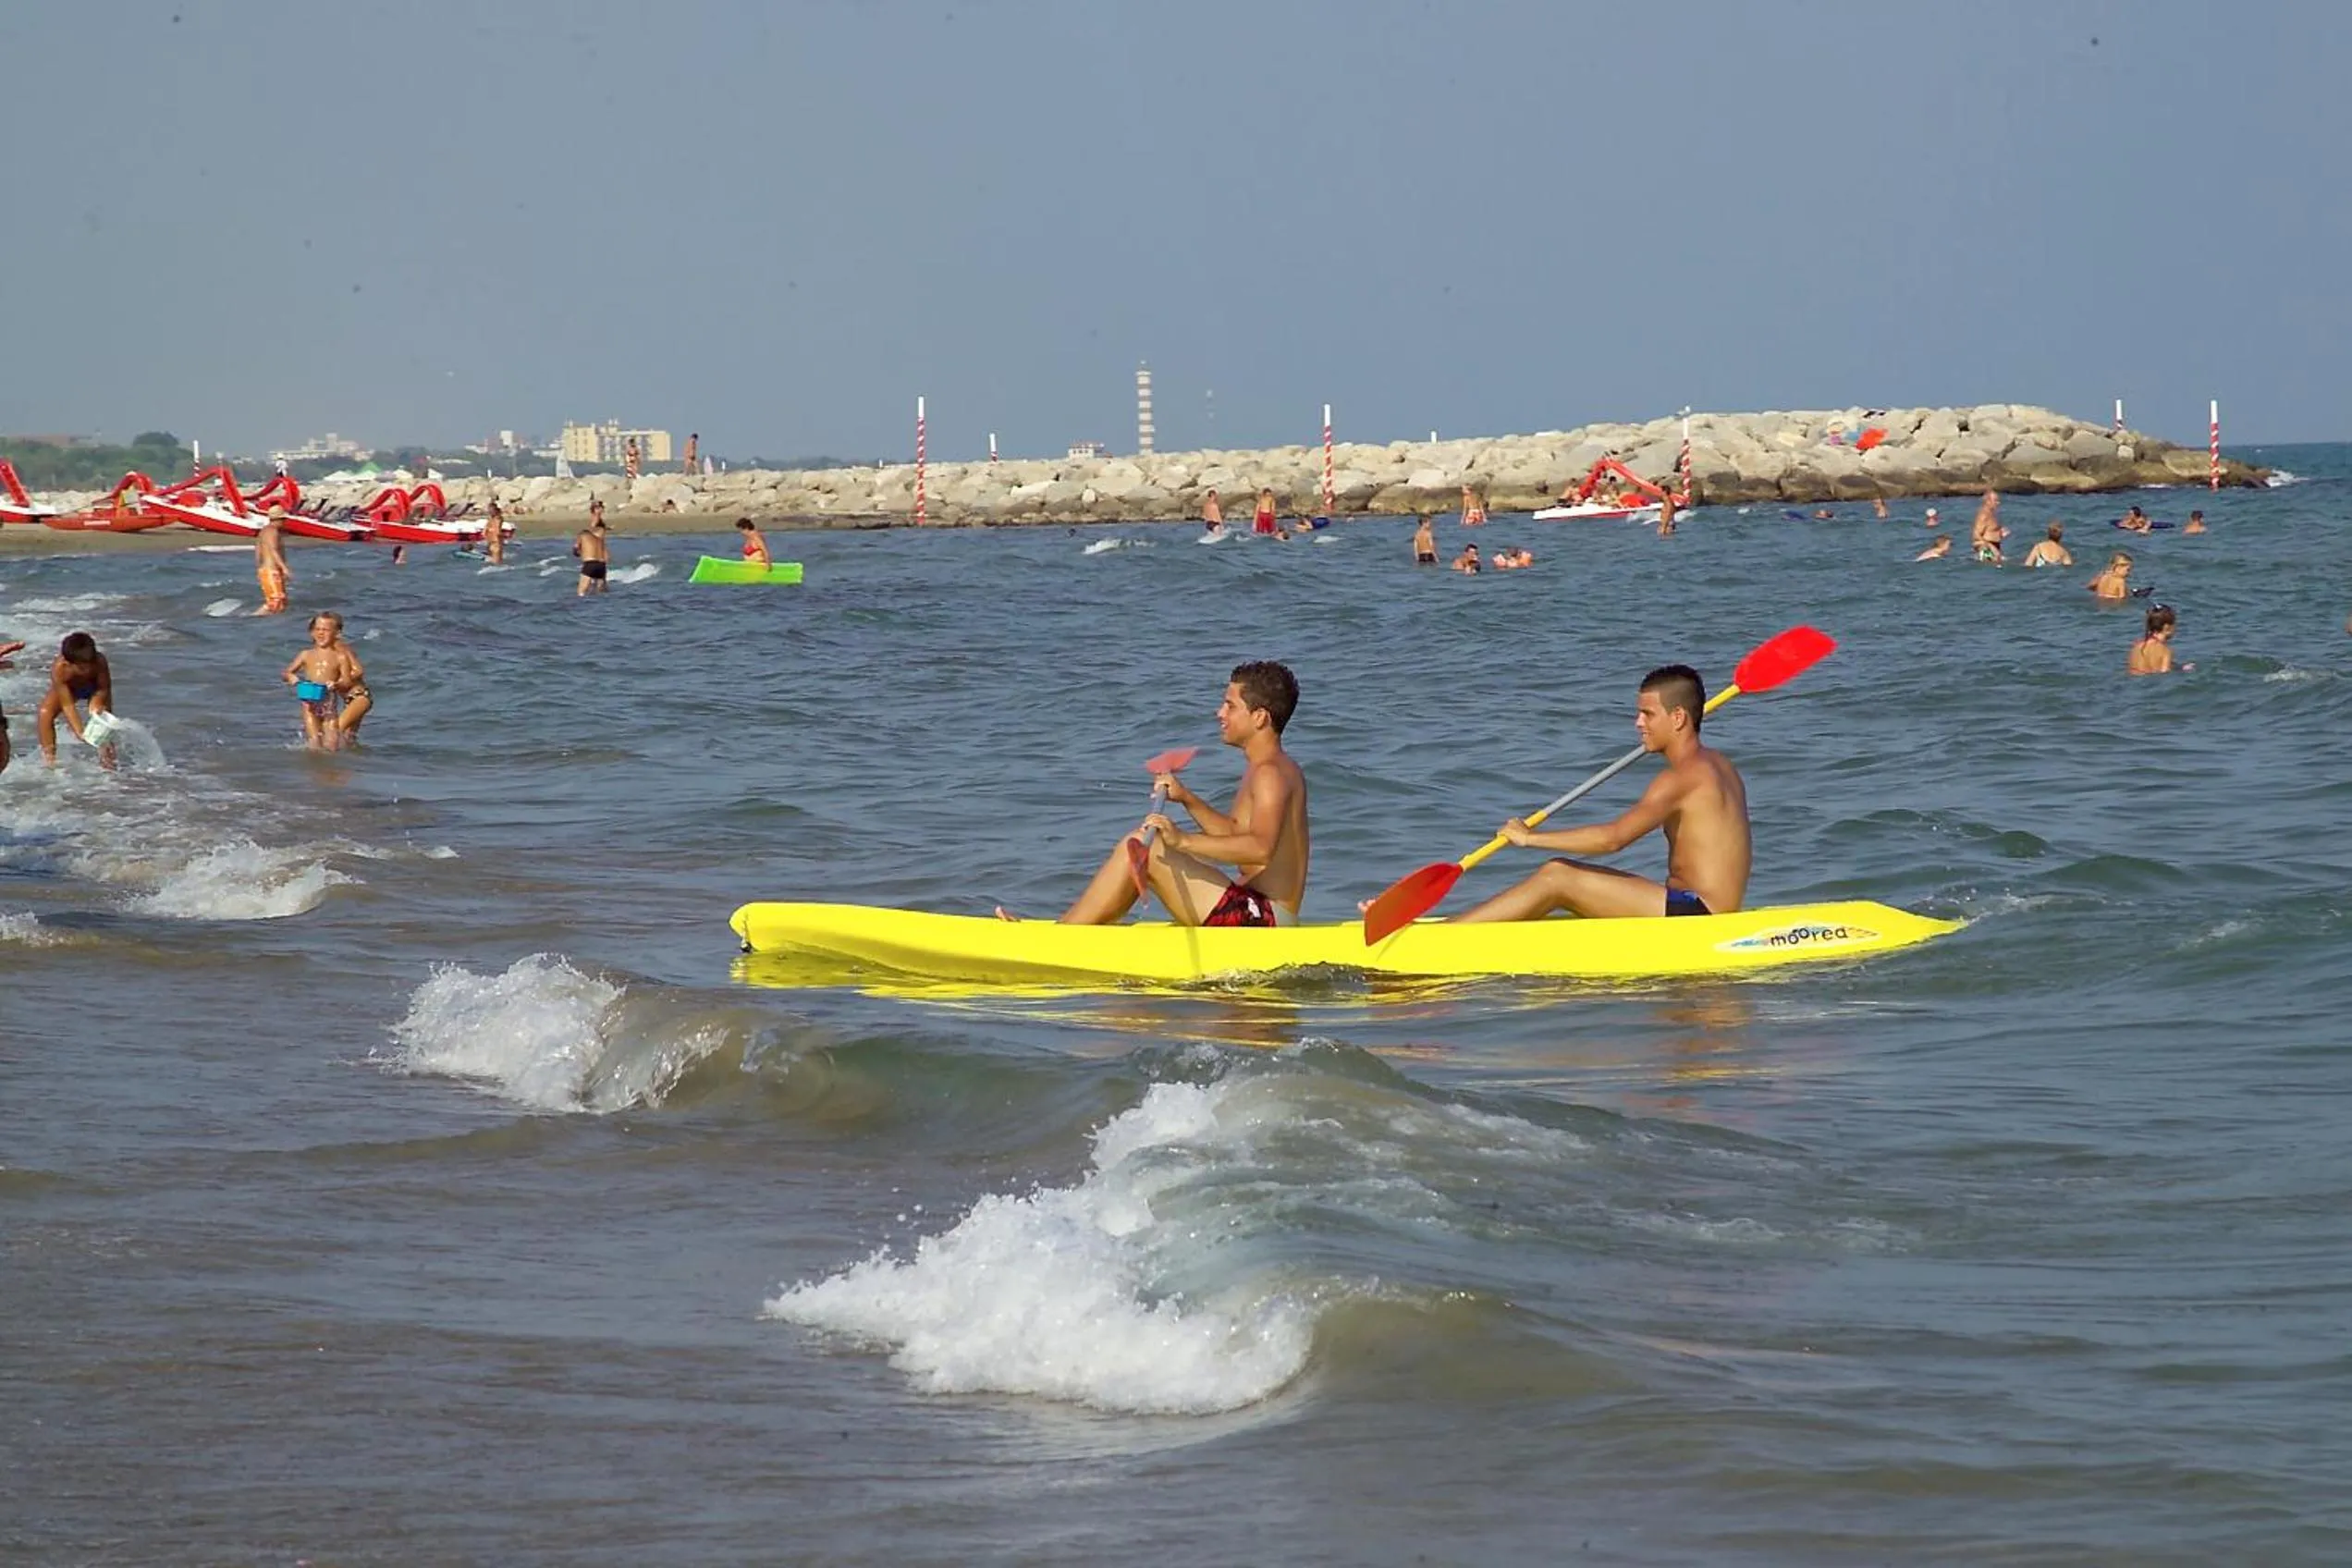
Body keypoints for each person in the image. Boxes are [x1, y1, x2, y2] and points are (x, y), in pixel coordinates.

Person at [1008, 661, 1308, 927]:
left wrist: (1183, 840)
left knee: (1143, 847)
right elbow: (1236, 833)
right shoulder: (1266, 768)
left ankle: (1063, 939)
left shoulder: (1270, 773)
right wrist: (1187, 798)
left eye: (1230, 706)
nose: (1220, 713)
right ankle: (1074, 930)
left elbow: (1259, 848)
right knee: (1139, 843)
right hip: (1254, 908)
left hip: (1264, 922)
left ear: (1259, 718)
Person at [1452, 664, 1748, 921]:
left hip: (1700, 916)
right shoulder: (1720, 765)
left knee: (1558, 876)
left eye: (1647, 714)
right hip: (1705, 909)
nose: (1638, 723)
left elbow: (1613, 839)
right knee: (1567, 883)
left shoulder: (1681, 777)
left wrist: (1529, 838)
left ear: (1678, 718)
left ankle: (1446, 939)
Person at [37, 631, 113, 766]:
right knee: (45, 713)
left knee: (102, 719)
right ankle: (49, 760)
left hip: (95, 689)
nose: (88, 667)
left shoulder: (100, 661)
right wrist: (78, 730)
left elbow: (103, 689)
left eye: (91, 661)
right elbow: (67, 704)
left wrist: (96, 705)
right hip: (71, 689)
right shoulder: (60, 669)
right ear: (68, 663)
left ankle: (108, 762)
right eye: (82, 666)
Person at [283, 613, 348, 750]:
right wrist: (291, 677)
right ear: (311, 632)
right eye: (317, 629)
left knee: (331, 745)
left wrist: (336, 684)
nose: (321, 633)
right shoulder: (306, 654)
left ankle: (331, 769)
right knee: (314, 743)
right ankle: (314, 767)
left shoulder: (340, 657)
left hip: (329, 705)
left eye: (326, 630)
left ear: (337, 633)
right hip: (309, 704)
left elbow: (347, 681)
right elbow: (287, 672)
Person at [2128, 604, 2191, 674]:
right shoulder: (2165, 651)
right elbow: (2164, 674)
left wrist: (2179, 667)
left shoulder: (2136, 647)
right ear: (2167, 628)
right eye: (2175, 624)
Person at [254, 506, 291, 615]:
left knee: (282, 603)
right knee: (275, 602)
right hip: (271, 570)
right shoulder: (273, 531)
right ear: (279, 519)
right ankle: (251, 619)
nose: (285, 522)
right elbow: (274, 550)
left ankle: (275, 625)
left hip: (268, 570)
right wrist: (284, 568)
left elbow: (258, 551)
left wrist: (259, 567)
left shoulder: (264, 531)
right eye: (284, 520)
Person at [574, 514, 610, 595]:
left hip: (590, 564)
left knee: (581, 592)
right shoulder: (601, 537)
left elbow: (575, 551)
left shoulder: (583, 534)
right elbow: (607, 555)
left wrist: (580, 552)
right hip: (602, 565)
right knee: (601, 592)